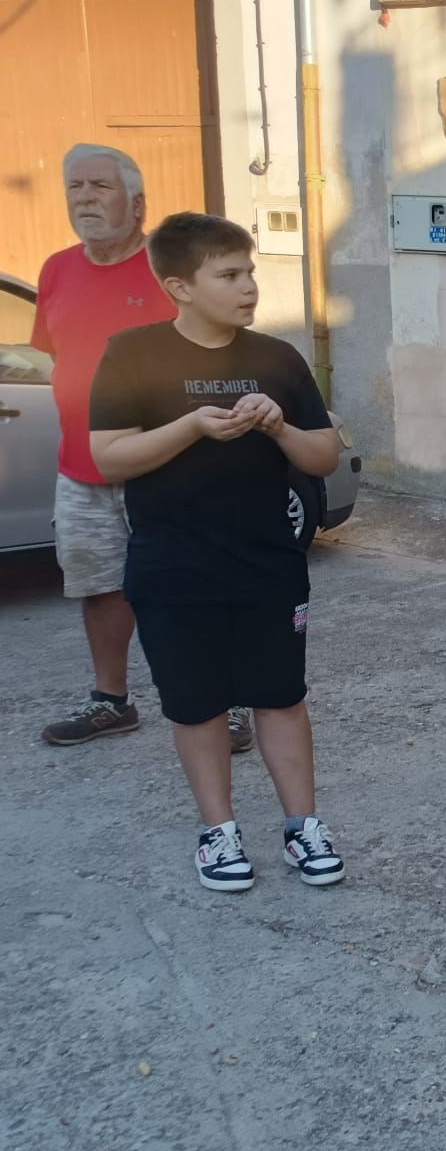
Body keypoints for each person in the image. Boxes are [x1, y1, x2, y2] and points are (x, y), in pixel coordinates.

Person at [88, 213, 345, 892]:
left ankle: (301, 827)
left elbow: (322, 457)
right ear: (179, 286)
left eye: (250, 271)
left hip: (267, 563)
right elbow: (109, 456)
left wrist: (281, 424)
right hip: (172, 567)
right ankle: (219, 833)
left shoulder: (276, 359)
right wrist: (192, 426)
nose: (249, 286)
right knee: (197, 705)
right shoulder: (133, 353)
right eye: (229, 275)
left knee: (280, 697)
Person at [35, 145, 254, 752]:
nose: (84, 197)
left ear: (137, 204)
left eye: (100, 186)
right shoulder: (55, 270)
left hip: (168, 465)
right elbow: (60, 358)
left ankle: (229, 701)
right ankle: (112, 701)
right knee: (99, 586)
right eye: (74, 185)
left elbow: (217, 350)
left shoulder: (169, 275)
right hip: (80, 468)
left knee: (197, 582)